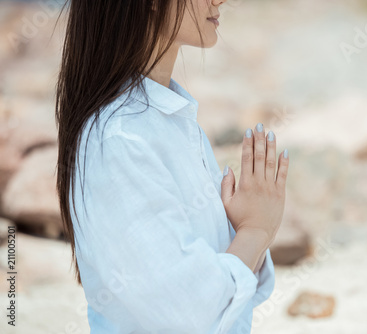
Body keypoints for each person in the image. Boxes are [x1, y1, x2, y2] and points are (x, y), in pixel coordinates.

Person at [54, 0, 289, 333]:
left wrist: (241, 226)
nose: (220, 0)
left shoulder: (171, 118)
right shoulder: (121, 140)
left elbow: (236, 300)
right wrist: (255, 231)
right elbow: (191, 313)